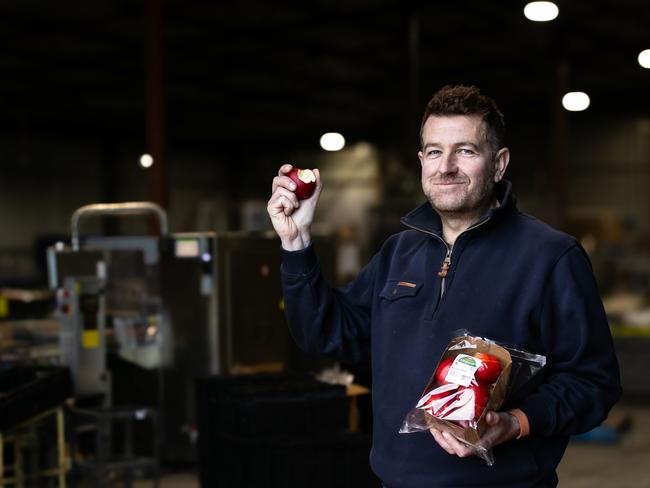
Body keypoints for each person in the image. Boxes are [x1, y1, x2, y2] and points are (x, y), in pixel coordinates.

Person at [266, 85, 621, 488]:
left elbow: (594, 382)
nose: (446, 166)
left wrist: (515, 423)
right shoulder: (397, 253)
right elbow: (325, 333)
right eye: (434, 151)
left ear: (499, 163)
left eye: (465, 151)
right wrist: (296, 243)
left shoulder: (551, 257)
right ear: (421, 161)